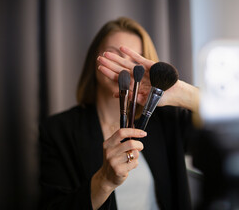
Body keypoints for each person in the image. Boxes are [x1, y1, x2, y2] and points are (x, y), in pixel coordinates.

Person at [38, 17, 200, 209]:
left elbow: (233, 127)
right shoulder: (58, 131)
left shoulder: (168, 120)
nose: (124, 65)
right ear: (94, 60)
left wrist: (181, 93)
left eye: (134, 60)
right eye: (113, 55)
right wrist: (104, 181)